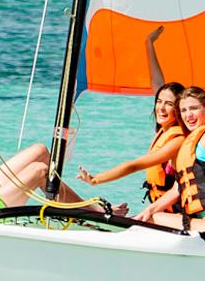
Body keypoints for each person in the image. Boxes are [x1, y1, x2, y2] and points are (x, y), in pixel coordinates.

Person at [133, 87, 205, 235]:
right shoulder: (189, 143)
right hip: (201, 221)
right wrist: (147, 210)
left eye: (193, 108)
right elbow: (177, 189)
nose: (188, 115)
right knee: (147, 217)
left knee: (149, 221)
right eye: (183, 110)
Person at [74, 79, 189, 218]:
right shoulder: (165, 131)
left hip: (174, 215)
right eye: (159, 101)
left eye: (169, 104)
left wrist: (96, 179)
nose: (161, 108)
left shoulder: (178, 139)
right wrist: (150, 55)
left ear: (179, 109)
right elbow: (157, 83)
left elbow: (134, 166)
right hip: (160, 211)